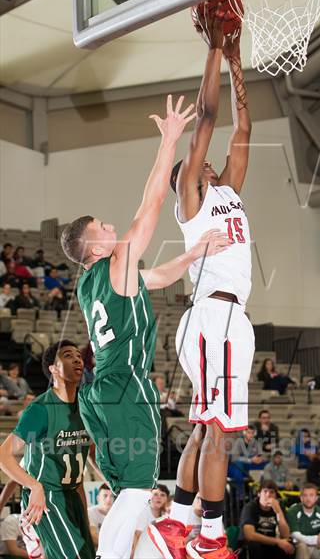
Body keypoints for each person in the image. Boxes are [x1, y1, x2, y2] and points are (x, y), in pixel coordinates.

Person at [61, 95, 230, 559]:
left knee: (129, 490)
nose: (111, 224)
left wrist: (195, 254)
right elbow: (153, 200)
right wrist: (170, 138)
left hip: (103, 394)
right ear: (93, 246)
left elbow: (156, 278)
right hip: (124, 387)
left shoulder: (93, 283)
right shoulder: (115, 262)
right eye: (101, 225)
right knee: (138, 490)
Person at [148, 11, 255, 559]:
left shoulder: (229, 192)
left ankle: (181, 520)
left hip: (222, 318)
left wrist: (238, 63)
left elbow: (243, 130)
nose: (208, 162)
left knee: (203, 429)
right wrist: (214, 49)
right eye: (196, 164)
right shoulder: (192, 198)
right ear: (184, 181)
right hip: (216, 316)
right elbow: (208, 121)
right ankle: (210, 533)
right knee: (221, 432)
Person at [0, 340, 95, 559]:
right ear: (53, 369)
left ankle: (36, 540)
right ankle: (32, 532)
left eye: (78, 356)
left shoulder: (85, 407)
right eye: (68, 355)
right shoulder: (41, 409)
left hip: (73, 493)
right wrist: (34, 486)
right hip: (46, 497)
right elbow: (4, 455)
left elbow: (89, 455)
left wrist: (114, 483)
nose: (77, 359)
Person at [239, 480, 294, 559]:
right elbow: (249, 535)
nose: (268, 495)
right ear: (259, 494)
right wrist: (277, 541)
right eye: (265, 491)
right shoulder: (250, 507)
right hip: (251, 544)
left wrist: (278, 512)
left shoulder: (279, 507)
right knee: (254, 545)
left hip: (270, 543)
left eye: (272, 492)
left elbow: (285, 535)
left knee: (288, 544)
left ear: (275, 496)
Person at [287, 483, 320, 559]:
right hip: (298, 547)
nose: (308, 498)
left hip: (317, 547)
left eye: (311, 495)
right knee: (302, 546)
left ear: (316, 497)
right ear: (300, 498)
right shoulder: (293, 511)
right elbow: (296, 535)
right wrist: (317, 539)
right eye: (305, 495)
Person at [88, 483, 114, 549]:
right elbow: (93, 537)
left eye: (111, 496)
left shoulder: (118, 515)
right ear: (98, 498)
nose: (108, 499)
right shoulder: (89, 513)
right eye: (105, 496)